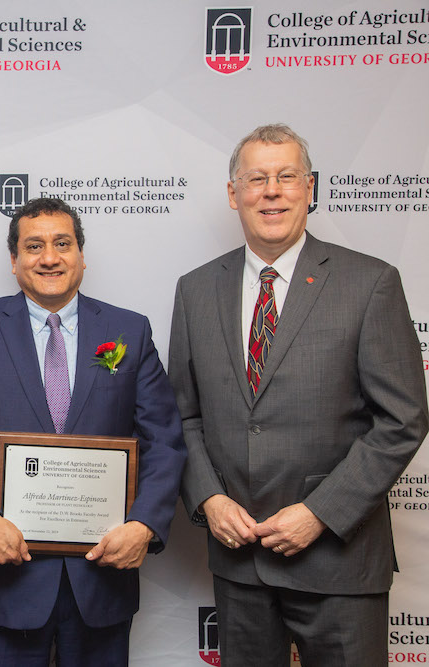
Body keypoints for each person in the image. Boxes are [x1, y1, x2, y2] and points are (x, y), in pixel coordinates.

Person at [169, 123, 429, 666]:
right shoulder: (195, 289)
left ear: (310, 188)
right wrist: (209, 499)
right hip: (238, 562)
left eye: (287, 177)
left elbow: (402, 419)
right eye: (257, 178)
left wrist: (320, 512)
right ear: (233, 192)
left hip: (339, 559)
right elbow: (183, 415)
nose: (272, 191)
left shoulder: (370, 282)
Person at [0, 197, 185, 666]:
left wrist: (144, 525)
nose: (49, 257)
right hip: (4, 577)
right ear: (14, 260)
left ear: (81, 255)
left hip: (102, 578)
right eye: (34, 246)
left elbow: (164, 439)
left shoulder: (130, 330)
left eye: (62, 243)